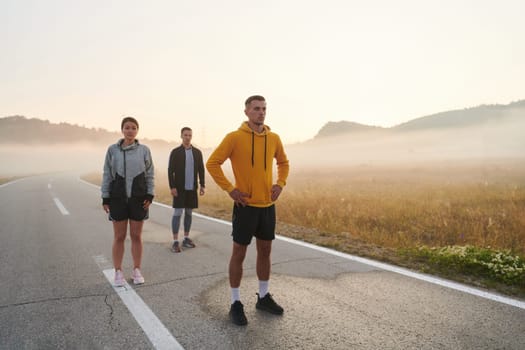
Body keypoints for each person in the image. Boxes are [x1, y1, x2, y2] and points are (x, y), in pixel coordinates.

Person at [206, 95, 290, 326]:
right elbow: (212, 163)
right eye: (256, 109)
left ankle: (263, 297)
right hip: (245, 206)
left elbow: (283, 163)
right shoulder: (234, 138)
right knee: (239, 254)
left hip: (267, 207)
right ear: (246, 112)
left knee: (265, 251)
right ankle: (235, 302)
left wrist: (280, 184)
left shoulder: (274, 138)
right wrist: (230, 189)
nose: (261, 112)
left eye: (264, 109)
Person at [101, 117, 155, 286]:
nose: (130, 130)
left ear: (137, 131)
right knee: (119, 236)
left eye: (133, 128)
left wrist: (149, 194)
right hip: (117, 198)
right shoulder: (112, 150)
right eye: (127, 127)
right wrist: (105, 196)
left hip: (139, 199)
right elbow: (107, 174)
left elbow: (150, 174)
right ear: (122, 130)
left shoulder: (144, 150)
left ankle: (137, 270)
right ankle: (118, 272)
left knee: (136, 236)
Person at [168, 127, 206, 253]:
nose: (187, 137)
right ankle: (175, 241)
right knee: (177, 214)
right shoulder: (175, 152)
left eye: (190, 135)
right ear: (181, 136)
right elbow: (170, 170)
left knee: (189, 214)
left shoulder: (197, 152)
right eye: (185, 135)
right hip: (179, 189)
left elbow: (201, 169)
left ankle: (186, 238)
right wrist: (172, 186)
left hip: (192, 189)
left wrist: (202, 185)